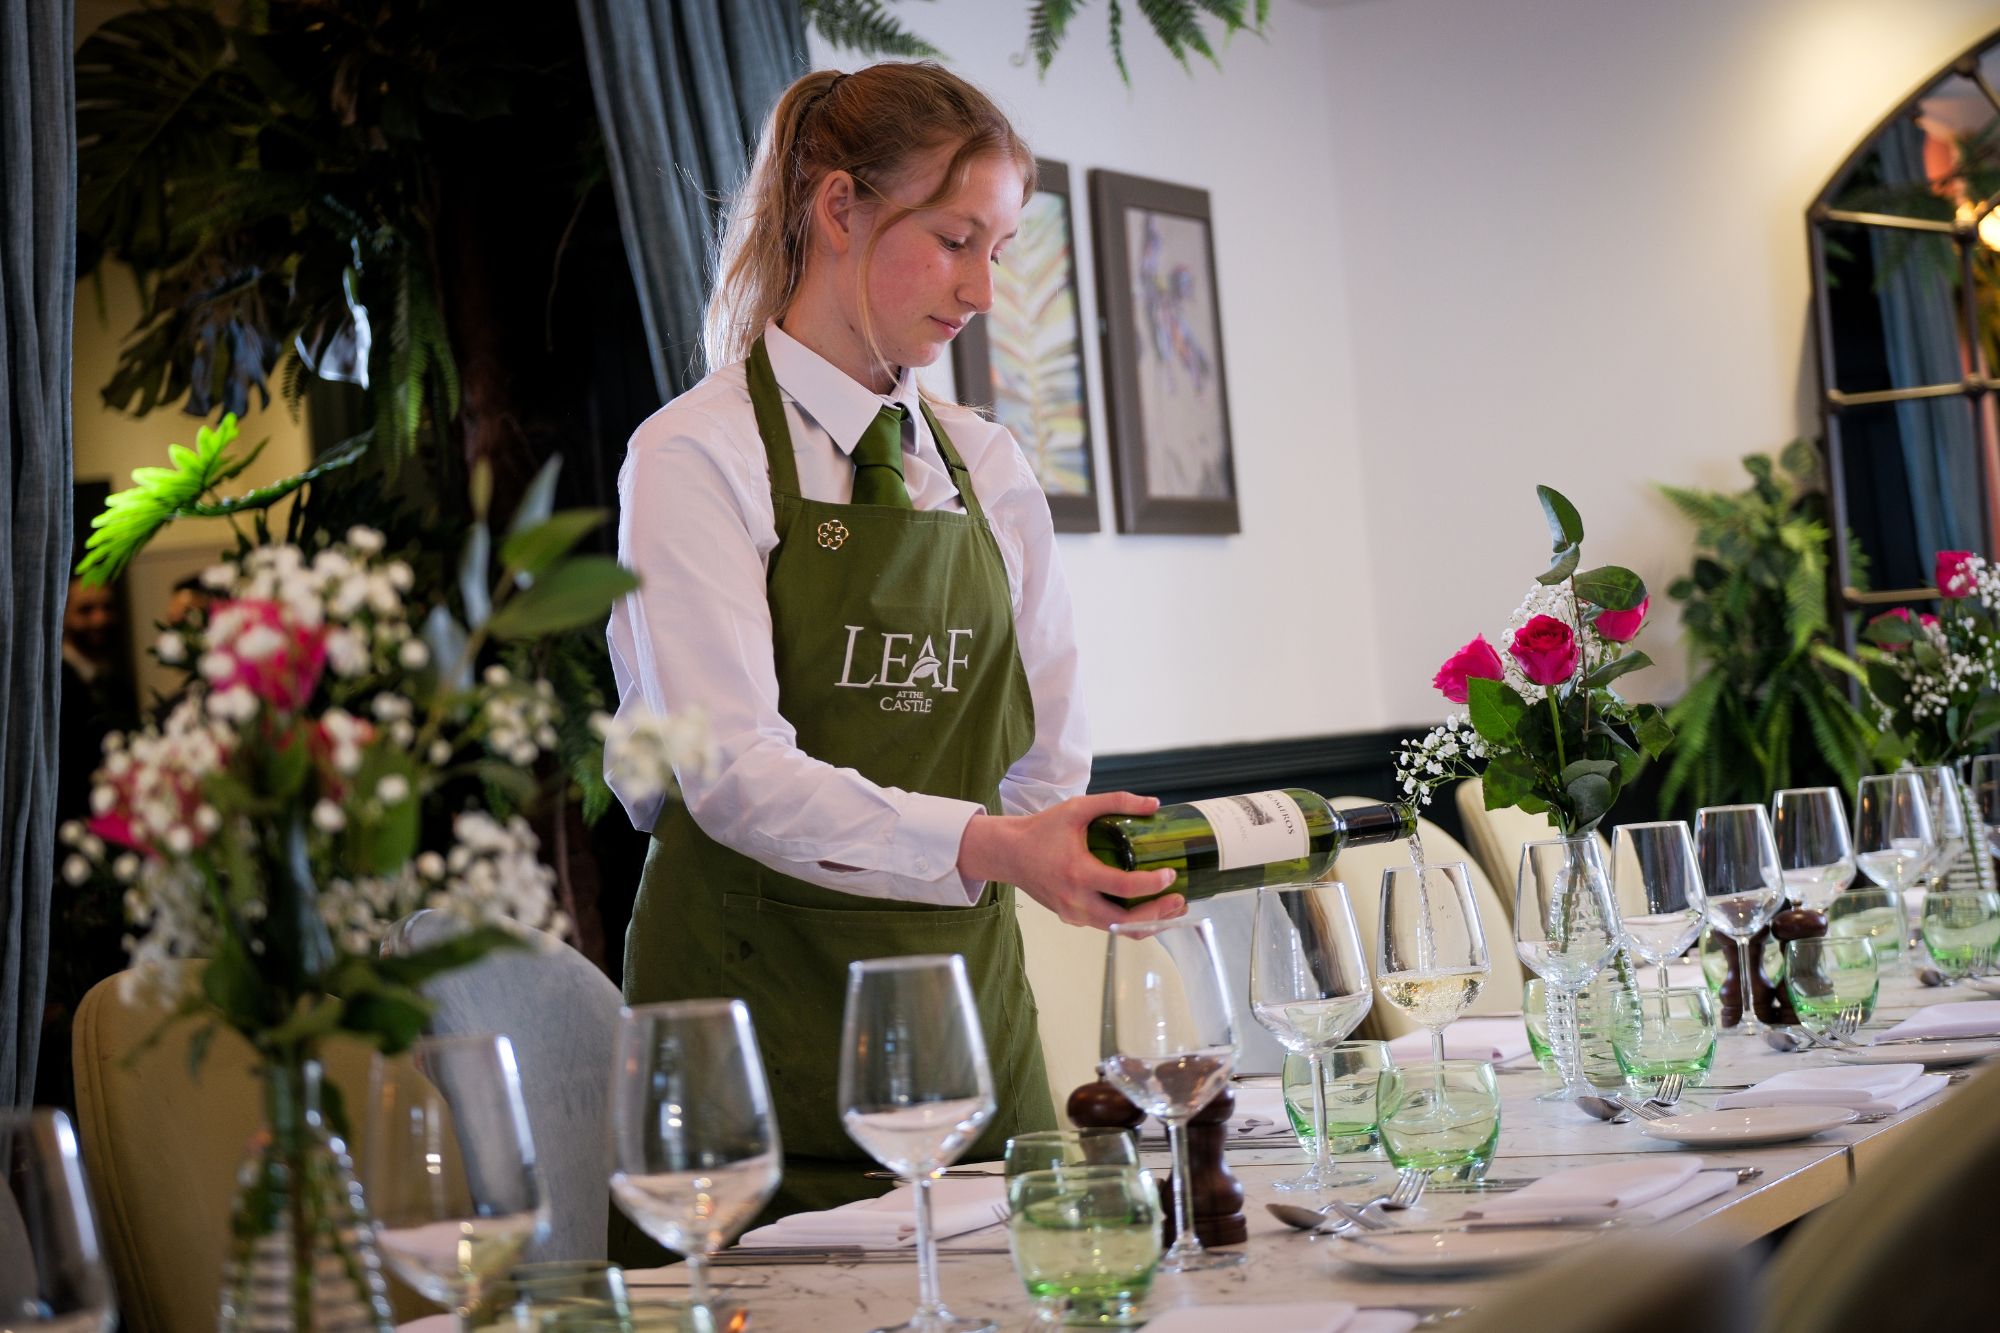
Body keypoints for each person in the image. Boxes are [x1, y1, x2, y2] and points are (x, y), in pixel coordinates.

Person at [606, 62, 1186, 1226]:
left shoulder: (986, 464)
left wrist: (1037, 845)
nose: (979, 288)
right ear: (838, 209)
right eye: (953, 238)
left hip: (972, 1033)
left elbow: (1046, 764)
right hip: (751, 1044)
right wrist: (987, 844)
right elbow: (730, 775)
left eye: (998, 250)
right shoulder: (693, 456)